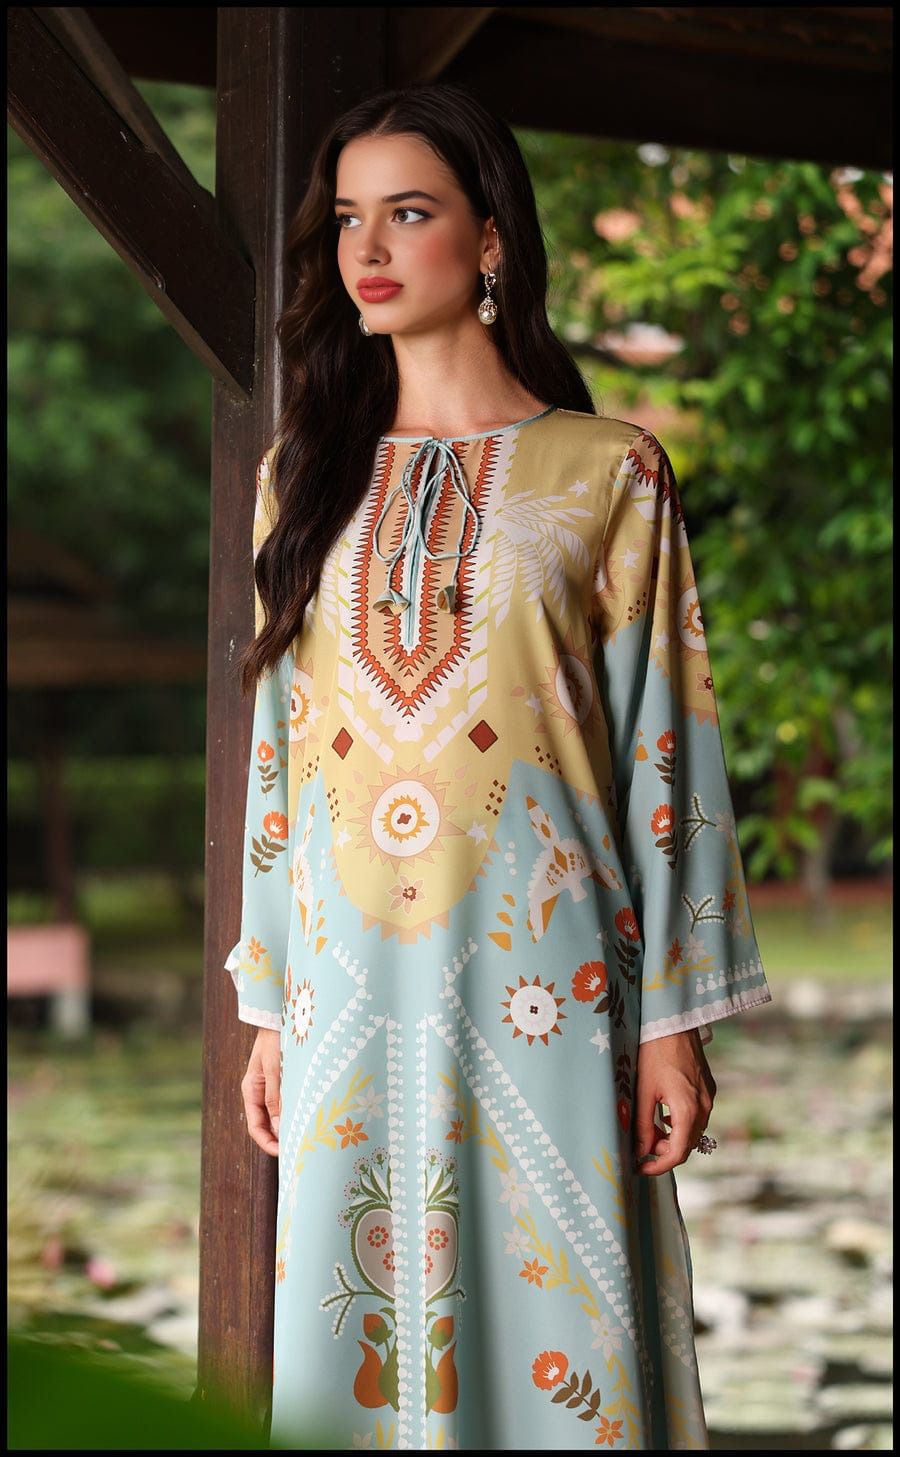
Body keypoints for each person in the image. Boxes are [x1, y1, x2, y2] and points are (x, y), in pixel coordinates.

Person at [225, 80, 772, 1451]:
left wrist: (673, 1021)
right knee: (359, 1357)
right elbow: (280, 763)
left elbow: (665, 749)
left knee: (562, 1336)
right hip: (348, 987)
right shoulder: (302, 480)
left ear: (490, 240)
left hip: (550, 981)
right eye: (348, 218)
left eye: (408, 213)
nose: (368, 248)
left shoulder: (609, 474)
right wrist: (270, 1002)